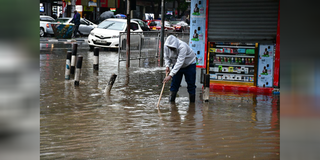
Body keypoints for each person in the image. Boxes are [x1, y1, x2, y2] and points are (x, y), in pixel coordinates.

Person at [162, 35, 197, 103]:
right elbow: (166, 57)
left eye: (172, 47)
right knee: (174, 83)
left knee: (191, 84)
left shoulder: (182, 46)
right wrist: (167, 66)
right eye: (169, 47)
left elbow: (180, 62)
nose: (171, 49)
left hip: (189, 64)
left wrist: (170, 75)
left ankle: (192, 105)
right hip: (176, 65)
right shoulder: (166, 46)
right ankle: (172, 104)